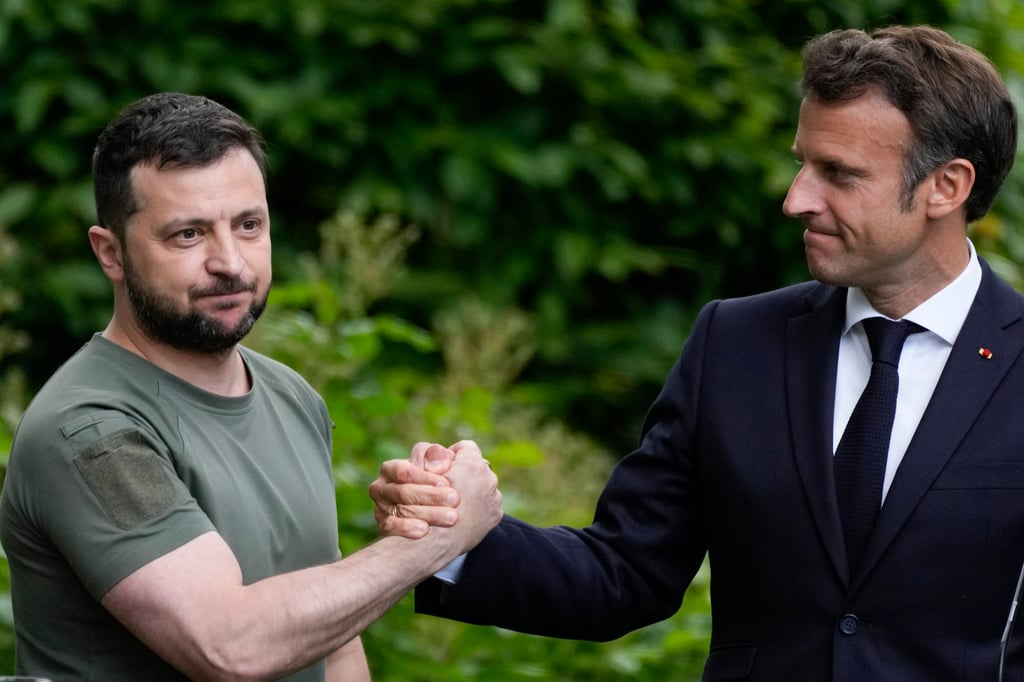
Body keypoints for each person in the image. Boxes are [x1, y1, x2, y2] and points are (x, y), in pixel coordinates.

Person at [369, 25, 1024, 680]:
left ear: (947, 187)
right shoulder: (735, 344)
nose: (796, 198)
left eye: (839, 174)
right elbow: (622, 572)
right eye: (802, 162)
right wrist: (451, 535)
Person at [0, 92, 502, 681]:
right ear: (111, 253)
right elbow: (229, 647)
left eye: (248, 225)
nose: (230, 262)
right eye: (188, 235)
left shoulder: (292, 396)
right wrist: (439, 538)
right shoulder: (92, 431)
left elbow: (333, 639)